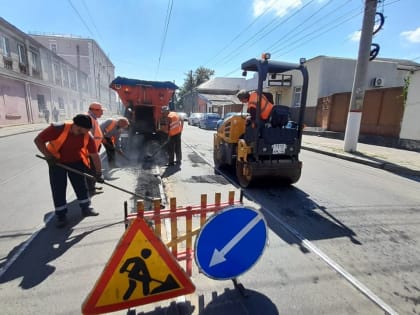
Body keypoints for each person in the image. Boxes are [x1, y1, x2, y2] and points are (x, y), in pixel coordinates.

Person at [34, 114, 103, 228]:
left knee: (80, 185)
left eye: (84, 131)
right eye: (79, 130)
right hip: (56, 162)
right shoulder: (57, 128)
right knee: (59, 187)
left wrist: (98, 173)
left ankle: (86, 208)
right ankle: (61, 215)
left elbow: (94, 155)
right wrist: (48, 156)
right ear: (74, 124)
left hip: (76, 161)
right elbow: (38, 140)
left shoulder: (87, 136)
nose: (81, 133)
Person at [86, 102, 105, 195]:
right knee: (91, 170)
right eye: (101, 111)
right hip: (89, 151)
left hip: (93, 149)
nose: (102, 113)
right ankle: (90, 190)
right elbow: (87, 136)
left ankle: (92, 186)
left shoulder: (93, 118)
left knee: (92, 170)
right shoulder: (89, 118)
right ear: (95, 110)